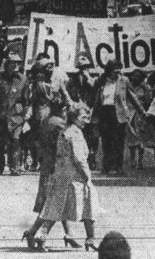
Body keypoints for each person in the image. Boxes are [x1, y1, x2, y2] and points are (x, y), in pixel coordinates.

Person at [35, 102, 98, 251]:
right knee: (89, 205)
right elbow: (78, 158)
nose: (86, 120)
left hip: (63, 175)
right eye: (83, 117)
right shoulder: (74, 133)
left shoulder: (67, 130)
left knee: (57, 208)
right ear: (75, 118)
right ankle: (90, 238)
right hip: (75, 177)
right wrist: (87, 175)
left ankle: (42, 236)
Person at [93, 60, 145, 175]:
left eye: (119, 68)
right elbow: (97, 99)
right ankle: (106, 166)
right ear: (109, 70)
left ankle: (118, 166)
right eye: (115, 68)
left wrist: (142, 112)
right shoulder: (102, 81)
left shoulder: (123, 81)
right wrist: (94, 115)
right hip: (105, 113)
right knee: (106, 141)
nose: (117, 71)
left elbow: (133, 97)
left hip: (118, 114)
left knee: (119, 141)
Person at [0, 52, 28, 175]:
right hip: (1, 113)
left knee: (15, 140)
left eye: (18, 63)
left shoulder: (23, 79)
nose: (16, 65)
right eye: (13, 62)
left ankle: (15, 167)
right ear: (7, 64)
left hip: (17, 115)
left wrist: (26, 116)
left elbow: (26, 100)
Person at [68, 54, 99, 168]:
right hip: (79, 111)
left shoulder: (94, 78)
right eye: (81, 68)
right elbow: (69, 94)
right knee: (82, 135)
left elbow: (96, 89)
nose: (83, 70)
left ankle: (93, 156)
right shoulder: (72, 80)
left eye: (86, 67)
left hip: (91, 110)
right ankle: (84, 158)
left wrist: (88, 78)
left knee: (94, 136)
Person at [125, 69, 155, 170]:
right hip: (130, 113)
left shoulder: (145, 88)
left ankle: (140, 161)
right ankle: (132, 159)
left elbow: (148, 101)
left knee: (141, 138)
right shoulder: (127, 86)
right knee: (131, 137)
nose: (135, 77)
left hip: (140, 114)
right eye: (134, 75)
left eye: (138, 76)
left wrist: (146, 90)